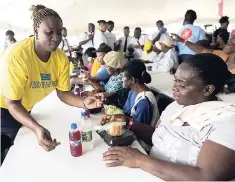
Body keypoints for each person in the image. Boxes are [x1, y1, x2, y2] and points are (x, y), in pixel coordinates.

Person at [102, 54, 235, 180]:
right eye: (175, 81)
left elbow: (205, 178)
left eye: (182, 85)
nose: (174, 87)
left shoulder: (225, 124)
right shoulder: (176, 107)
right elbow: (160, 136)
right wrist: (129, 122)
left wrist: (140, 160)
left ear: (208, 89)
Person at [0, 5, 102, 152]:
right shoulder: (17, 57)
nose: (56, 38)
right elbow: (12, 103)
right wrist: (37, 128)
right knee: (12, 149)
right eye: (49, 32)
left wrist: (85, 103)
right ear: (36, 31)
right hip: (4, 108)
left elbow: (63, 92)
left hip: (23, 106)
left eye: (59, 33)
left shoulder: (60, 58)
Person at [121, 60, 159, 125]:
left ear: (132, 80)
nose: (121, 80)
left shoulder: (143, 103)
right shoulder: (133, 92)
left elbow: (139, 129)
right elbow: (126, 113)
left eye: (123, 77)